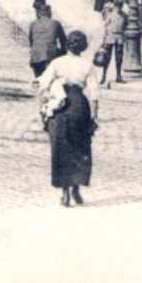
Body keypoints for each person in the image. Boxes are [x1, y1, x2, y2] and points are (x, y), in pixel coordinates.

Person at [35, 30, 99, 207]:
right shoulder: (87, 66)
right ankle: (76, 187)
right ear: (83, 46)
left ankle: (65, 193)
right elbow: (94, 94)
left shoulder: (57, 63)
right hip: (79, 105)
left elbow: (43, 85)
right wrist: (93, 116)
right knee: (81, 147)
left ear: (67, 45)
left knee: (61, 148)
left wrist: (44, 107)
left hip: (60, 106)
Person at [27, 3, 67, 78]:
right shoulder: (56, 23)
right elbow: (63, 41)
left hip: (36, 57)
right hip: (51, 56)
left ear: (38, 14)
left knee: (38, 79)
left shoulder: (33, 24)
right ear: (49, 13)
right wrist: (63, 53)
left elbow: (31, 41)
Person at [99, 0, 126, 87]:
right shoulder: (110, 15)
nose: (118, 9)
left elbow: (126, 26)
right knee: (106, 58)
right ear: (114, 7)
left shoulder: (124, 16)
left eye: (120, 7)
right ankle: (103, 76)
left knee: (119, 58)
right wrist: (103, 40)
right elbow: (105, 27)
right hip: (110, 37)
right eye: (117, 7)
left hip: (120, 37)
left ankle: (118, 75)